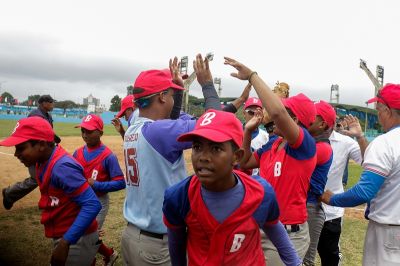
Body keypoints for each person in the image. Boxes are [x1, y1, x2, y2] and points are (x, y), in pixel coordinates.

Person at [163, 109, 301, 266]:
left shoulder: (260, 193)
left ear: (237, 156)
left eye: (216, 148)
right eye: (197, 147)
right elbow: (176, 247)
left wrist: (295, 263)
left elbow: (275, 229)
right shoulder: (179, 196)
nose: (203, 157)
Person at [121, 54, 222, 265]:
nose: (174, 98)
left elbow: (169, 124)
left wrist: (177, 91)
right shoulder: (158, 132)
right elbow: (216, 126)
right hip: (157, 247)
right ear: (162, 97)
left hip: (134, 236)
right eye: (171, 94)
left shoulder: (133, 125)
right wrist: (207, 86)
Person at [225, 57, 317, 265]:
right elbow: (245, 162)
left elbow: (276, 111)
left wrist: (251, 76)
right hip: (263, 228)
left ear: (293, 122)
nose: (272, 116)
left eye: (284, 113)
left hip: (288, 235)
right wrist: (248, 131)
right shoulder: (273, 144)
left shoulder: (304, 145)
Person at [0, 117, 101, 265]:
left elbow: (92, 204)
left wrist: (65, 242)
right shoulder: (42, 161)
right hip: (70, 234)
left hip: (77, 238)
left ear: (41, 144)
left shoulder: (61, 167)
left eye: (21, 148)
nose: (16, 154)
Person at [321, 83, 400, 265]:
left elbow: (364, 192)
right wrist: (361, 137)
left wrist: (331, 199)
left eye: (379, 109)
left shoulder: (386, 142)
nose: (378, 116)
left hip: (388, 231)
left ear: (387, 110)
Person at [73, 114, 125, 265]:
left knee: (87, 238)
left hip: (99, 202)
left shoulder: (108, 156)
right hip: (81, 200)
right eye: (83, 130)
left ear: (100, 133)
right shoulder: (77, 153)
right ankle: (110, 254)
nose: (85, 134)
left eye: (89, 131)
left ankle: (98, 258)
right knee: (84, 236)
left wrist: (96, 184)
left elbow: (121, 182)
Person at [317, 114, 366, 266]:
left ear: (326, 123)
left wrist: (360, 136)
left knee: (330, 256)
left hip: (331, 211)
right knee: (301, 255)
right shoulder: (304, 139)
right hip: (305, 209)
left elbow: (368, 161)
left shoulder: (345, 142)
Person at [2, 94, 61, 210]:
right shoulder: (36, 115)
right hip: (34, 150)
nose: (52, 104)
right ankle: (10, 194)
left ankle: (53, 201)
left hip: (41, 150)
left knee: (46, 174)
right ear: (44, 103)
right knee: (37, 178)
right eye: (51, 102)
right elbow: (37, 133)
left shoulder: (46, 115)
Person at [302, 101, 336, 266]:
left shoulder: (321, 147)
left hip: (310, 209)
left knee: (305, 261)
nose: (306, 118)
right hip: (303, 206)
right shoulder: (313, 143)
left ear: (322, 124)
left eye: (311, 116)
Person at [242, 96, 269, 175]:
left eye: (258, 113)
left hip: (256, 180)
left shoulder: (266, 136)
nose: (254, 116)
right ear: (244, 113)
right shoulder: (234, 132)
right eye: (251, 112)